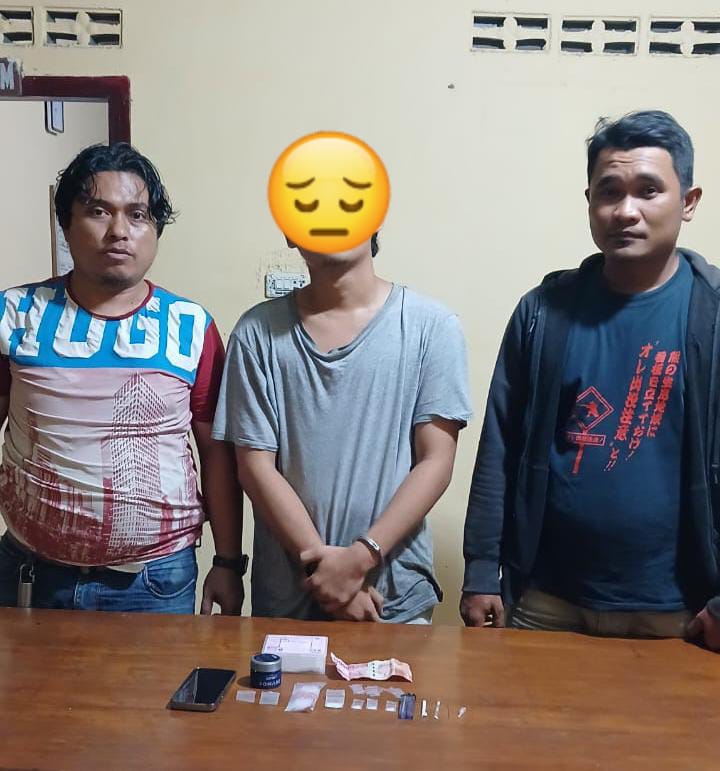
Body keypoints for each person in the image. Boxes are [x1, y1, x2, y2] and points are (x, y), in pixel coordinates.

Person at [461, 109, 720, 650]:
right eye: (609, 192)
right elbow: (499, 448)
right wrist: (483, 569)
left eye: (649, 190)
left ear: (689, 202)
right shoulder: (543, 312)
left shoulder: (713, 315)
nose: (625, 210)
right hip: (545, 602)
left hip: (682, 612)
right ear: (590, 202)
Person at [0, 143, 245, 614]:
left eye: (137, 215)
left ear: (155, 231)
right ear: (66, 224)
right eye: (98, 211)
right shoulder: (15, 315)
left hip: (154, 581)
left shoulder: (190, 326)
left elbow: (216, 452)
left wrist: (229, 563)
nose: (119, 231)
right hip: (31, 574)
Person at [213, 232, 472, 622]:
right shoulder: (256, 333)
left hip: (394, 599)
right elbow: (254, 466)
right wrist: (325, 575)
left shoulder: (432, 327)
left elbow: (436, 461)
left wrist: (359, 559)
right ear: (289, 230)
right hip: (288, 600)